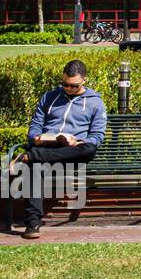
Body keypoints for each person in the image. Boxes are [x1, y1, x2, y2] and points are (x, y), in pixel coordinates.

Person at [9, 60, 106, 239]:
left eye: (73, 86)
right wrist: (36, 138)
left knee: (89, 149)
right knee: (35, 166)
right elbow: (35, 126)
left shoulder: (95, 102)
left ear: (84, 80)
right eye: (65, 84)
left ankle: (32, 156)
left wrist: (78, 141)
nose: (68, 88)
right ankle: (33, 223)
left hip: (73, 151)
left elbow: (97, 135)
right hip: (48, 145)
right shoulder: (50, 97)